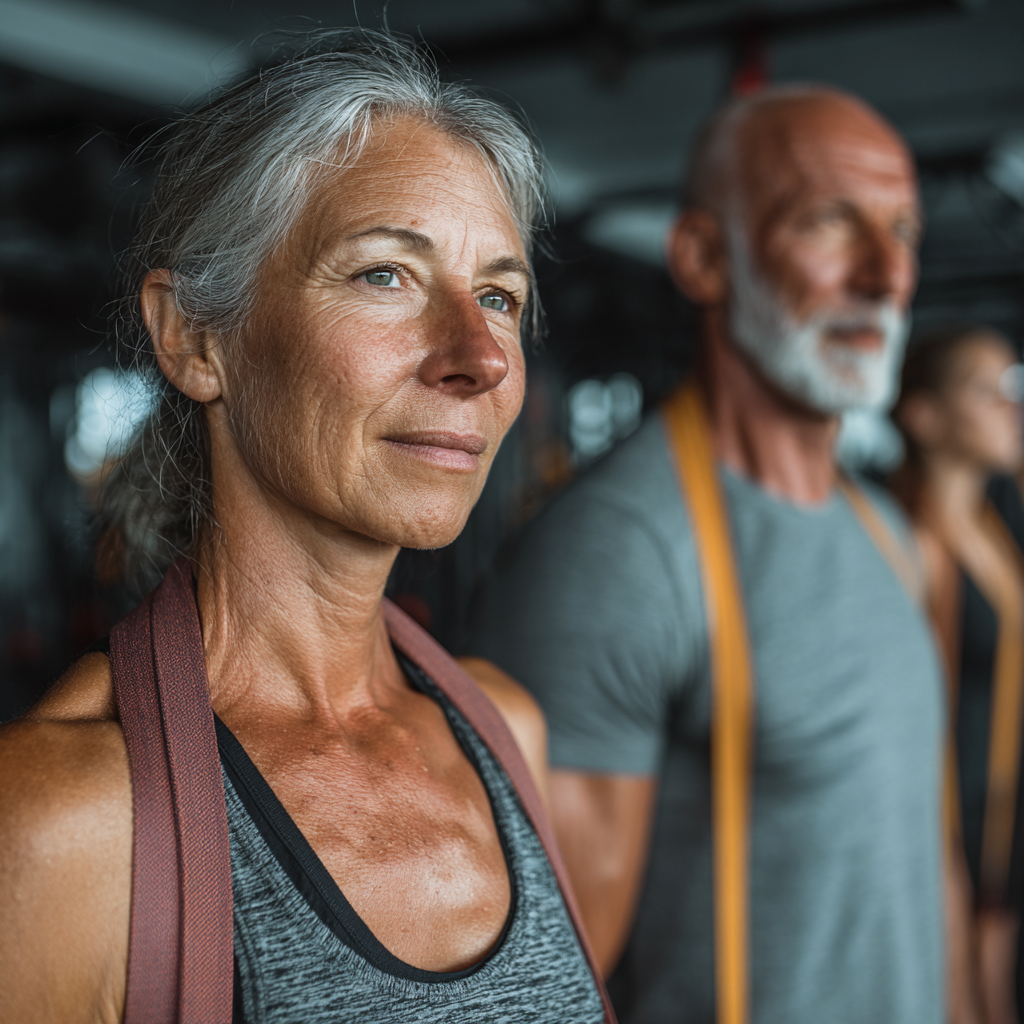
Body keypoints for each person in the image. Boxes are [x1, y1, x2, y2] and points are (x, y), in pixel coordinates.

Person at [0, 33, 612, 1024]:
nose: (480, 357)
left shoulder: (506, 737)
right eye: (385, 274)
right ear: (195, 338)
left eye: (498, 295)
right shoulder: (66, 818)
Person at [467, 85, 947, 1023]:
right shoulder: (624, 551)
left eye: (902, 230)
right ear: (701, 256)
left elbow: (929, 876)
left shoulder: (888, 533)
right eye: (829, 222)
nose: (887, 275)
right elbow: (557, 985)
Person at [893, 325, 1024, 1024]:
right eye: (988, 390)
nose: (1012, 406)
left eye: (1014, 387)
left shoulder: (995, 525)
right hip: (953, 829)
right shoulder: (918, 541)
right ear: (924, 416)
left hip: (1002, 822)